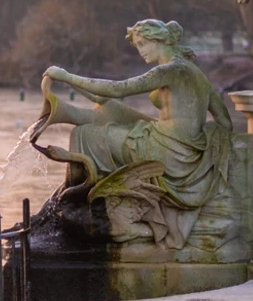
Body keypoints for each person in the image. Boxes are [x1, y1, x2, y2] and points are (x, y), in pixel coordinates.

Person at [37, 19, 233, 249]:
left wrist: (66, 76)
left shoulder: (171, 70)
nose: (140, 51)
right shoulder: (195, 73)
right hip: (181, 148)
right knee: (110, 110)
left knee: (84, 135)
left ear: (158, 40)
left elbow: (119, 89)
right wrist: (198, 142)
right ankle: (76, 201)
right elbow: (225, 123)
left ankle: (76, 203)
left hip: (168, 152)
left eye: (142, 44)